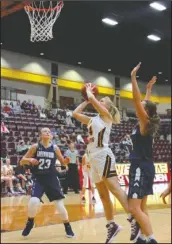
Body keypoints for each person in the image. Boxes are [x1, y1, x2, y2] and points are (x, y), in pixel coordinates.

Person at [73, 84, 132, 243]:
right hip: (92, 159)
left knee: (115, 188)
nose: (99, 100)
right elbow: (75, 113)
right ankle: (111, 225)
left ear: (107, 106)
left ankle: (134, 219)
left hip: (103, 155)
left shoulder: (107, 116)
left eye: (103, 100)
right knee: (103, 196)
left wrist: (89, 93)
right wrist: (86, 100)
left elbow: (93, 99)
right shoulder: (93, 119)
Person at [20, 128, 74, 238]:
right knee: (33, 202)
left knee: (59, 204)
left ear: (51, 136)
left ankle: (67, 226)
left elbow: (63, 163)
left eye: (49, 132)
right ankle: (30, 222)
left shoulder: (55, 148)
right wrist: (30, 160)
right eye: (45, 131)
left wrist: (66, 162)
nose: (48, 132)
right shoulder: (35, 147)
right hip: (39, 178)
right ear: (40, 135)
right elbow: (22, 160)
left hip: (51, 179)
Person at [128, 63, 160, 243]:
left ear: (145, 111)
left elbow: (136, 100)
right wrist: (148, 90)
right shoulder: (146, 120)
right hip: (145, 166)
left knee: (134, 208)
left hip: (140, 166)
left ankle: (151, 239)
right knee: (141, 207)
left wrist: (133, 78)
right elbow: (144, 103)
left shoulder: (144, 122)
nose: (139, 104)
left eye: (142, 104)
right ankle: (142, 238)